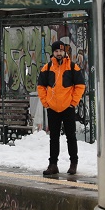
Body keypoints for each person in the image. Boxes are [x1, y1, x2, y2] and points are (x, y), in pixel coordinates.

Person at [36, 40, 86, 176]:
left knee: (71, 136)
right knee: (54, 137)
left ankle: (73, 163)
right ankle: (53, 165)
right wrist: (46, 103)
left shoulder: (72, 67)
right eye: (56, 51)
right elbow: (40, 86)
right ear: (53, 53)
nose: (59, 53)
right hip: (52, 108)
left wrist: (73, 102)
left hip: (68, 107)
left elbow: (80, 85)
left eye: (61, 51)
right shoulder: (47, 68)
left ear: (65, 52)